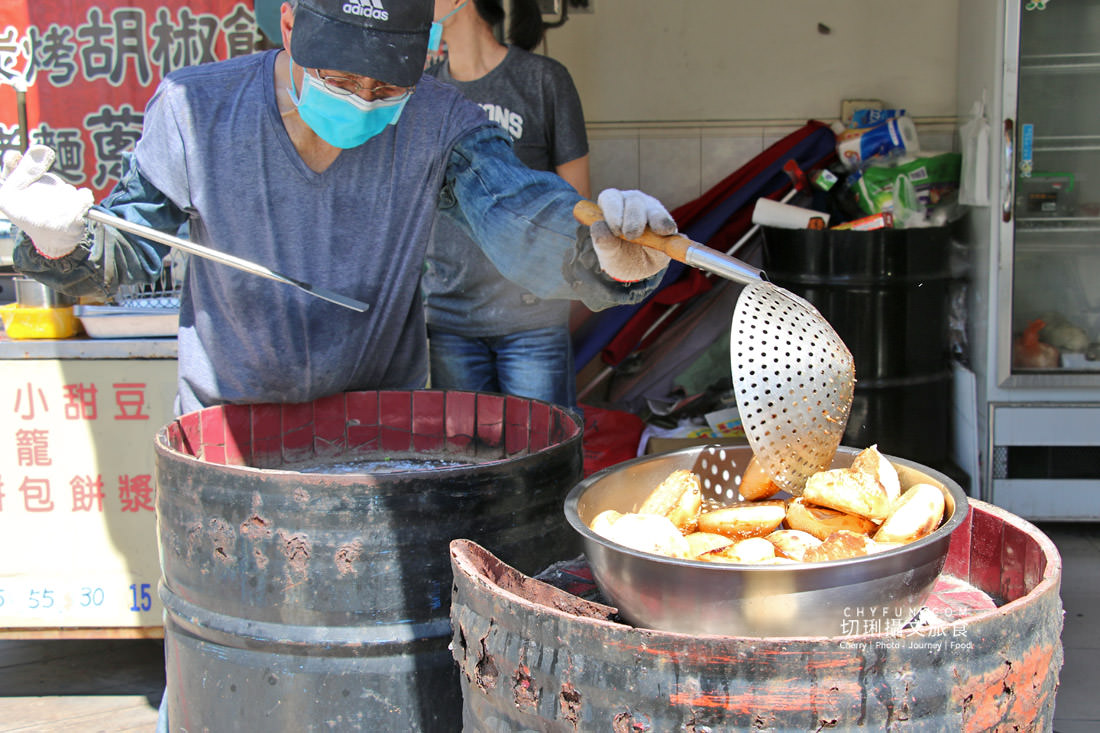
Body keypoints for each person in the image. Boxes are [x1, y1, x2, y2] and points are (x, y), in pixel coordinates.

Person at [0, 0, 676, 418]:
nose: (359, 101)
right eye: (338, 79)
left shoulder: (437, 124)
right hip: (231, 440)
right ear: (290, 25)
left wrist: (603, 252)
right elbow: (126, 254)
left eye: (385, 86)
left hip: (381, 441)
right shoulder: (194, 110)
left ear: (425, 58)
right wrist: (62, 242)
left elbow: (518, 212)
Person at [423, 0, 588, 408]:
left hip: (533, 318)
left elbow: (579, 205)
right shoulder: (424, 93)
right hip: (449, 317)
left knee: (542, 460)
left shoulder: (542, 79)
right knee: (465, 465)